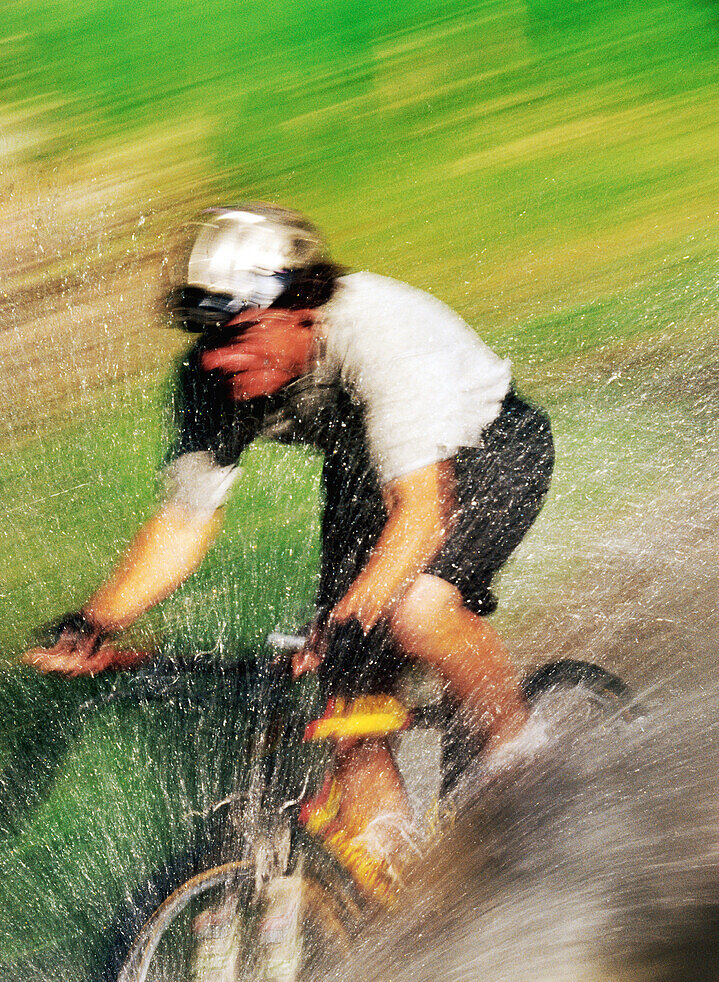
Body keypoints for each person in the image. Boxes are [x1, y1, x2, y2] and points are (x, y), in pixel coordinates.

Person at [23, 203, 554, 899]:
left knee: (415, 610)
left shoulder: (383, 336)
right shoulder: (210, 377)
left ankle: (521, 752)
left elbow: (419, 513)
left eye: (238, 333)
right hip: (372, 470)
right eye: (205, 335)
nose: (217, 357)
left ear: (303, 308)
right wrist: (94, 623)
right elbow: (183, 524)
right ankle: (395, 895)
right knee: (347, 703)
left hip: (488, 449)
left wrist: (347, 618)